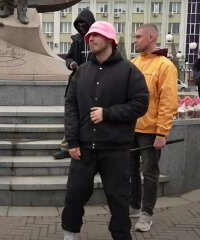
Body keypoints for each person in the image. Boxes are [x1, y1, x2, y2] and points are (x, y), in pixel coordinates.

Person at [61, 21, 149, 240]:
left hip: (115, 149)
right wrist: (72, 141)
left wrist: (107, 113)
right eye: (89, 35)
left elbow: (140, 104)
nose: (91, 38)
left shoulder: (129, 70)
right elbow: (70, 106)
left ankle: (120, 236)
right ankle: (70, 233)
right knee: (74, 195)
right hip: (83, 148)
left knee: (119, 199)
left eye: (96, 34)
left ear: (111, 39)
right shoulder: (81, 72)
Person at [129, 24, 178, 232]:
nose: (135, 40)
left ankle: (146, 214)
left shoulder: (165, 66)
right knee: (129, 170)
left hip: (150, 131)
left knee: (149, 173)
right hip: (130, 128)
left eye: (138, 36)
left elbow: (168, 101)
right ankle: (133, 205)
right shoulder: (133, 63)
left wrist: (162, 132)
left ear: (151, 37)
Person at [53, 8, 95, 160]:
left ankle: (90, 147)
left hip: (95, 84)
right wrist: (71, 64)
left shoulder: (96, 38)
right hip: (77, 82)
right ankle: (66, 146)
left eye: (85, 25)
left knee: (92, 116)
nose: (83, 28)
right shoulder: (76, 40)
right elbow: (69, 57)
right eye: (80, 25)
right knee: (71, 115)